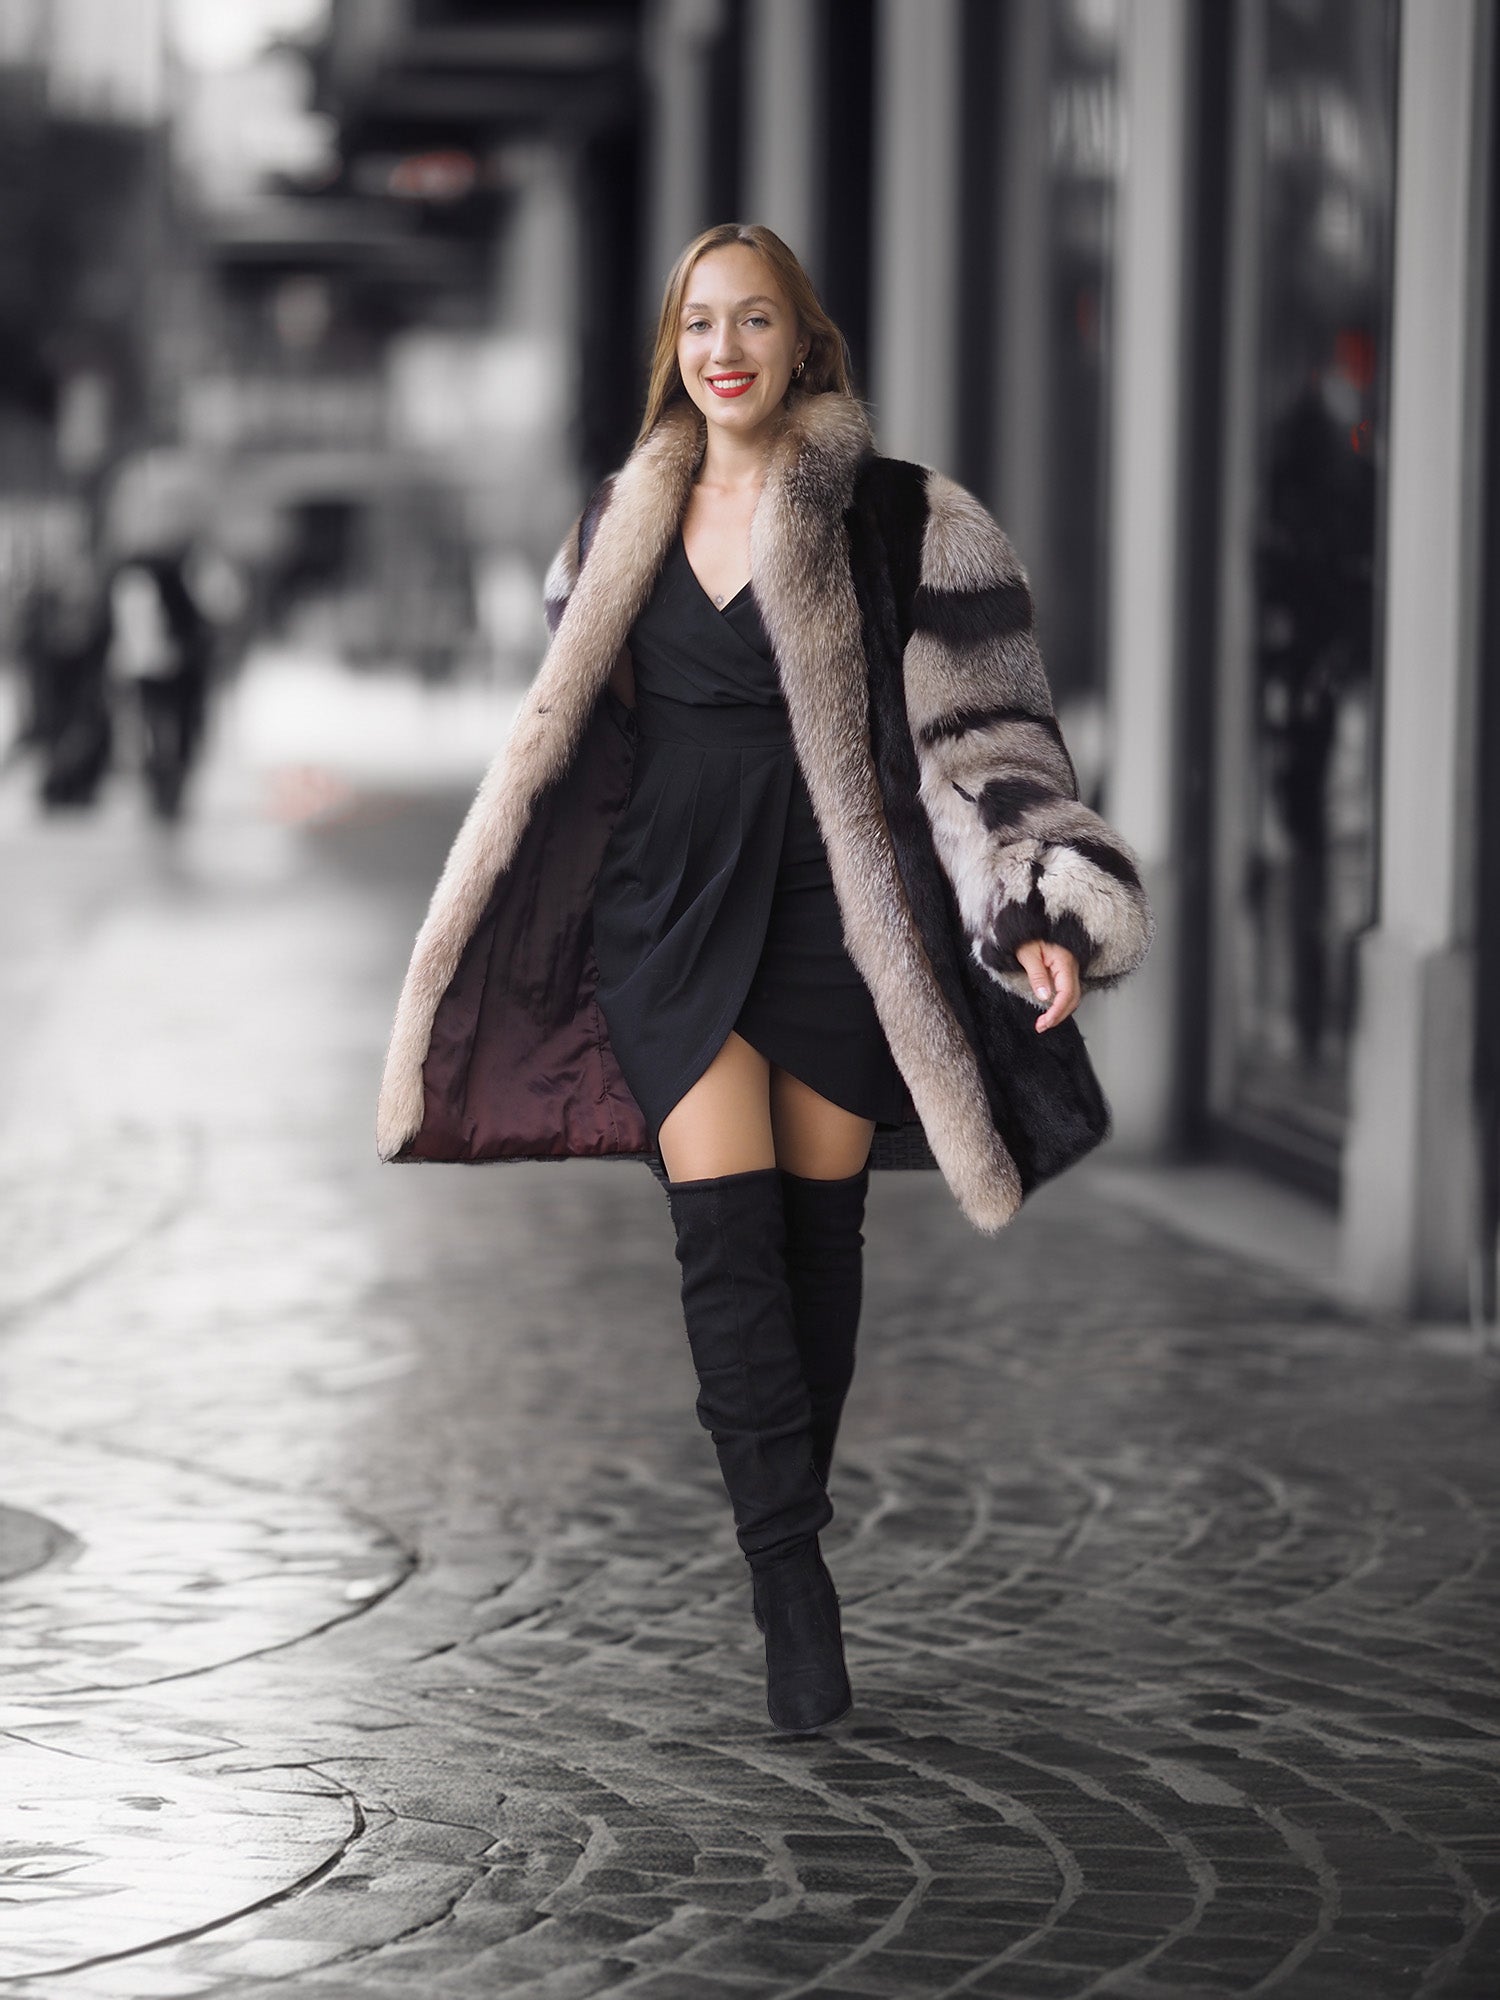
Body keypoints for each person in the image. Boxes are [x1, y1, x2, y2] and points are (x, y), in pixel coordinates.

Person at [378, 224, 1154, 1735]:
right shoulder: (614, 521)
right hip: (666, 912)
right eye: (698, 326)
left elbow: (987, 745)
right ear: (675, 351)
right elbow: (578, 737)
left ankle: (788, 1528)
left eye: (755, 321)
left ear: (807, 340)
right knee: (721, 1250)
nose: (724, 350)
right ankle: (790, 1582)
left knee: (815, 1254)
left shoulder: (909, 519)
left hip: (835, 912)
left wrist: (1034, 903)